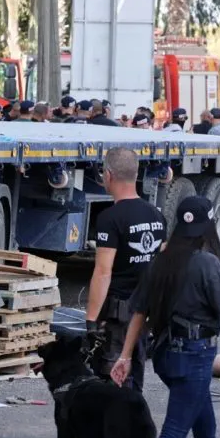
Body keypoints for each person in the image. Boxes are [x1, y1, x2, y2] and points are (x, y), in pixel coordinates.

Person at [111, 197, 220, 438]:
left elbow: (139, 313)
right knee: (172, 435)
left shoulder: (160, 261)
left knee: (205, 427)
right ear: (208, 225)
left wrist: (125, 356)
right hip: (194, 357)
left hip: (167, 355)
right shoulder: (207, 263)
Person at [84, 148, 166, 392]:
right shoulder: (156, 215)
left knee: (113, 377)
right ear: (136, 173)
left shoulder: (110, 218)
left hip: (118, 315)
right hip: (144, 312)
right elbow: (159, 264)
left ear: (108, 175)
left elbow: (103, 271)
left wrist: (90, 320)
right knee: (134, 372)